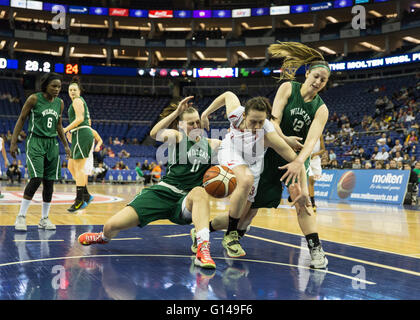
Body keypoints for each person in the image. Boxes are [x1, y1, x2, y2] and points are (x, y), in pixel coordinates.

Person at [204, 42, 331, 268]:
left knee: (303, 201)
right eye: (316, 76)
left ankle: (316, 250)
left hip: (296, 160)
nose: (318, 82)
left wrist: (298, 162)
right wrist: (286, 140)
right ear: (307, 73)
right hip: (271, 153)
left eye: (324, 80)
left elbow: (311, 142)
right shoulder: (288, 89)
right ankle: (208, 228)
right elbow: (274, 121)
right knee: (247, 212)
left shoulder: (321, 109)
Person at [78, 97, 221, 270]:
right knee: (111, 225)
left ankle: (202, 250)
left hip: (187, 201)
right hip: (163, 193)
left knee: (199, 191)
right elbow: (154, 134)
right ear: (181, 126)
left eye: (198, 122)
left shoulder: (213, 144)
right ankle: (103, 236)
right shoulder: (177, 137)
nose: (196, 126)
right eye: (191, 123)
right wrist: (176, 112)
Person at [200, 90, 309, 258]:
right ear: (244, 115)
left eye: (261, 122)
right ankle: (231, 236)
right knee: (246, 179)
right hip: (231, 150)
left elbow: (297, 162)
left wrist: (304, 191)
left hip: (254, 163)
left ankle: (202, 230)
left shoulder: (269, 133)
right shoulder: (235, 114)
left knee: (242, 213)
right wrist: (205, 113)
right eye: (253, 122)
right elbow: (228, 94)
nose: (257, 127)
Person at [12, 72, 70, 231]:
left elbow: (58, 125)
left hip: (52, 144)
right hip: (35, 141)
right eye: (54, 86)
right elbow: (21, 119)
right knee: (36, 178)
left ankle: (44, 219)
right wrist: (13, 142)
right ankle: (21, 216)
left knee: (49, 183)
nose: (57, 89)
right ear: (45, 85)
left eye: (59, 86)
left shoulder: (60, 103)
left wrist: (65, 145)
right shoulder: (34, 99)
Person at [63, 77, 94, 212]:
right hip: (78, 133)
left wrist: (65, 129)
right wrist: (73, 131)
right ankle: (86, 194)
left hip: (81, 133)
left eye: (75, 89)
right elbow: (88, 119)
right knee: (71, 166)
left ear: (79, 91)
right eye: (70, 90)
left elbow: (81, 119)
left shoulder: (77, 100)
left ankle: (79, 200)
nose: (72, 92)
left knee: (79, 168)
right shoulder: (77, 102)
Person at [67, 127, 102, 206]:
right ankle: (83, 195)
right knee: (78, 176)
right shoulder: (78, 130)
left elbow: (100, 140)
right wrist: (70, 139)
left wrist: (98, 146)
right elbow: (75, 143)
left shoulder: (92, 131)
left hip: (88, 156)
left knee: (84, 176)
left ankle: (82, 197)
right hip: (79, 154)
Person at [308, 135, 326, 212]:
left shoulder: (320, 135)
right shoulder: (307, 133)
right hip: (307, 159)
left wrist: (315, 154)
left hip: (316, 161)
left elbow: (323, 150)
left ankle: (309, 198)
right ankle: (313, 203)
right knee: (311, 180)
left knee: (313, 182)